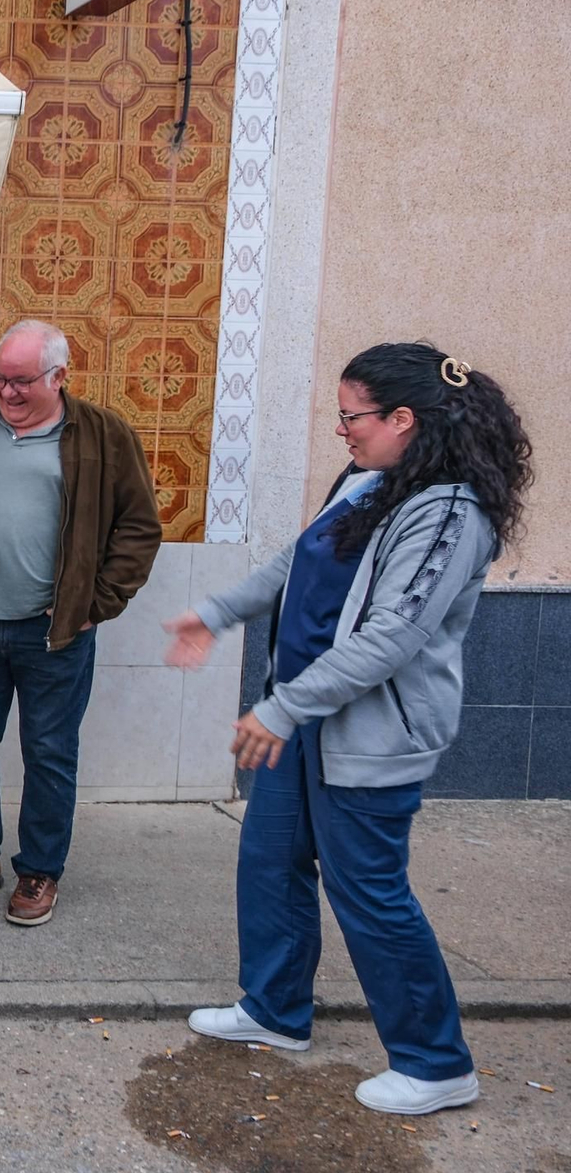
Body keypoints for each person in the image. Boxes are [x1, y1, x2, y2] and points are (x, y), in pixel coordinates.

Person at [165, 342, 531, 1116]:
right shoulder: (370, 481)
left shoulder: (449, 511)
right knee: (270, 860)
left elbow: (392, 634)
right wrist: (217, 609)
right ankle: (275, 1008)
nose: (342, 429)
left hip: (367, 734)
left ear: (403, 418)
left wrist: (283, 705)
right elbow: (299, 561)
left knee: (370, 892)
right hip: (300, 719)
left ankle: (435, 1062)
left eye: (351, 414)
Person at [0, 319, 161, 927]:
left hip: (53, 630)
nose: (7, 392)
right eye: (0, 378)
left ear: (59, 377)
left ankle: (39, 871)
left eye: (21, 381)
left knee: (49, 752)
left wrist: (94, 602)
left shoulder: (102, 434)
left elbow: (138, 526)